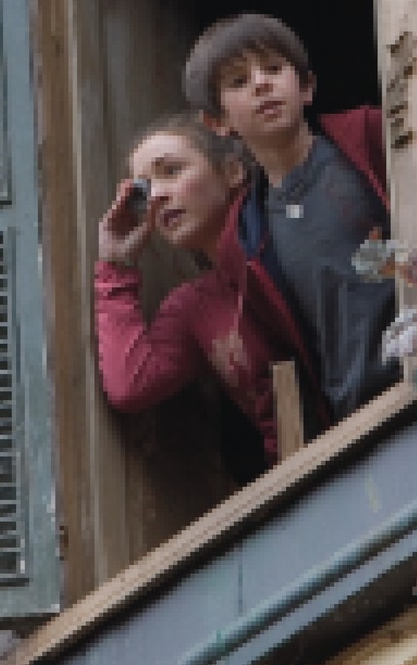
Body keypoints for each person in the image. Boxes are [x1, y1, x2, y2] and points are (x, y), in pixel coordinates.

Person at [181, 13, 398, 430]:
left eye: (274, 69)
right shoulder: (244, 239)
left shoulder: (367, 142)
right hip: (357, 420)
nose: (262, 84)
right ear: (218, 122)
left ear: (307, 87)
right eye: (239, 82)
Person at [94, 115, 296, 464]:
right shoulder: (194, 306)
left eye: (171, 171)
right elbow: (130, 385)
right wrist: (116, 267)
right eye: (143, 189)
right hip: (305, 479)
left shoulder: (292, 234)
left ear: (233, 172)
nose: (157, 195)